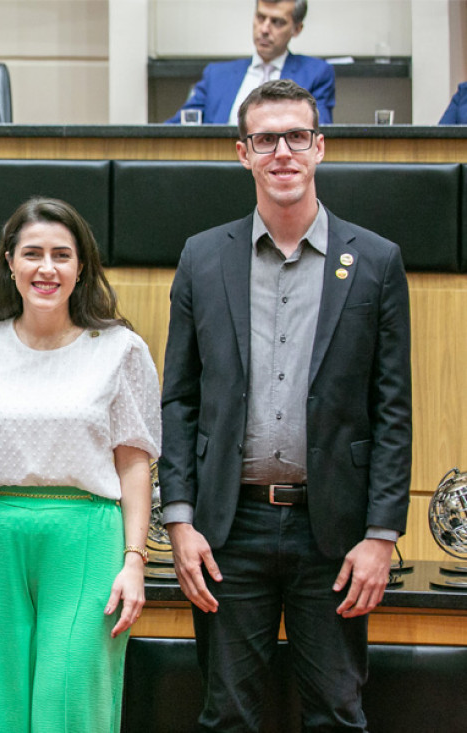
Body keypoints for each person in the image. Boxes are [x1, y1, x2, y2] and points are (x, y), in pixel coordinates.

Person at [159, 79, 411, 732]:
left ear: (319, 146)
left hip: (333, 531)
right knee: (227, 715)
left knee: (336, 711)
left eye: (296, 135)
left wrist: (382, 535)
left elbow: (392, 410)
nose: (282, 152)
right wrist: (179, 519)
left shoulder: (377, 262)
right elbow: (180, 400)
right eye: (265, 138)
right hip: (227, 528)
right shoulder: (202, 258)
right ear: (243, 152)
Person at [0, 197, 160, 731]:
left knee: (71, 702)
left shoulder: (121, 350)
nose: (46, 268)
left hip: (85, 538)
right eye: (32, 253)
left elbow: (134, 465)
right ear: (10, 263)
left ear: (81, 267)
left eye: (62, 254)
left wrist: (134, 561)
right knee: (1, 706)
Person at [167, 0, 334, 125]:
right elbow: (177, 129)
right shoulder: (216, 75)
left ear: (297, 29)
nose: (264, 29)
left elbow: (319, 132)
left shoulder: (316, 74)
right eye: (261, 18)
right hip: (221, 166)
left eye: (277, 22)